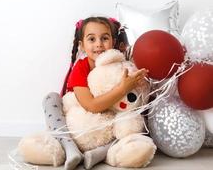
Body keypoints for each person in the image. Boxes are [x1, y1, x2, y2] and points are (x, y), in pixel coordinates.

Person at [42, 17, 148, 170]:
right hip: (79, 124)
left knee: (131, 122)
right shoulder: (81, 68)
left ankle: (99, 154)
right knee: (51, 98)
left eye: (104, 38)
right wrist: (122, 89)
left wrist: (141, 80)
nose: (99, 44)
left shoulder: (120, 66)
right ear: (82, 45)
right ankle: (69, 147)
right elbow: (90, 105)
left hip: (106, 125)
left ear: (113, 42)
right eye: (92, 39)